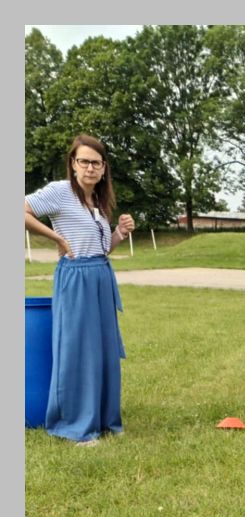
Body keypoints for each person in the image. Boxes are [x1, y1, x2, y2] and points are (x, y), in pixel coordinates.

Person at [24, 134, 135, 445]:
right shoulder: (60, 192)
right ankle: (75, 425)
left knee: (103, 349)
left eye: (96, 163)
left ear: (104, 168)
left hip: (100, 275)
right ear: (73, 164)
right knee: (79, 350)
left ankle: (104, 420)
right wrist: (56, 238)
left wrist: (119, 232)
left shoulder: (98, 201)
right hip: (75, 277)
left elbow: (100, 249)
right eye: (84, 161)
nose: (90, 168)